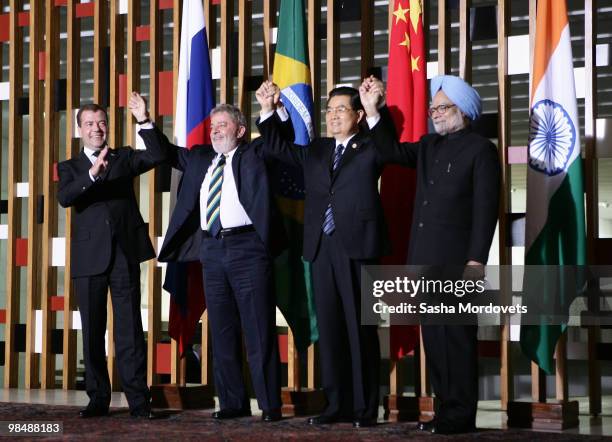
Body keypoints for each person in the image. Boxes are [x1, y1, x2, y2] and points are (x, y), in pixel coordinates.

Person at [255, 80, 413, 428]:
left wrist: (376, 109)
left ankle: (365, 408)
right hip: (321, 246)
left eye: (341, 110)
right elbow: (278, 147)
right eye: (329, 111)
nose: (333, 116)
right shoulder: (317, 149)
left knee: (359, 330)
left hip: (358, 246)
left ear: (357, 115)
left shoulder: (370, 146)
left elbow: (391, 149)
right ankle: (335, 403)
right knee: (329, 328)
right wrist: (268, 109)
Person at [362, 75, 501, 435]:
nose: (437, 114)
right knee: (435, 342)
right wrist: (373, 110)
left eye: (444, 108)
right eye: (434, 108)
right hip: (424, 259)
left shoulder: (481, 149)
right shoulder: (427, 145)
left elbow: (486, 210)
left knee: (456, 340)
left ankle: (461, 414)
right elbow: (390, 151)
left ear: (464, 111)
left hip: (457, 261)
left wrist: (476, 261)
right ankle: (445, 411)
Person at [136, 100, 287, 422]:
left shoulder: (255, 153)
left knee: (258, 329)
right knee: (221, 329)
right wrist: (146, 120)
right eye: (213, 125)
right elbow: (164, 152)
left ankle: (270, 405)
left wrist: (271, 111)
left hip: (249, 247)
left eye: (223, 125)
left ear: (241, 130)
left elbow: (279, 140)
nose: (216, 130)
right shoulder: (200, 157)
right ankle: (233, 402)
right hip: (212, 250)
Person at [57, 94, 166, 419]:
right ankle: (97, 398)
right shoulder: (69, 168)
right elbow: (65, 198)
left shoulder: (125, 157)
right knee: (92, 330)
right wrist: (90, 175)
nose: (96, 128)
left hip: (124, 253)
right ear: (79, 130)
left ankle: (138, 400)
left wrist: (144, 119)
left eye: (101, 122)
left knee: (130, 328)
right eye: (89, 124)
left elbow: (159, 155)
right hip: (89, 258)